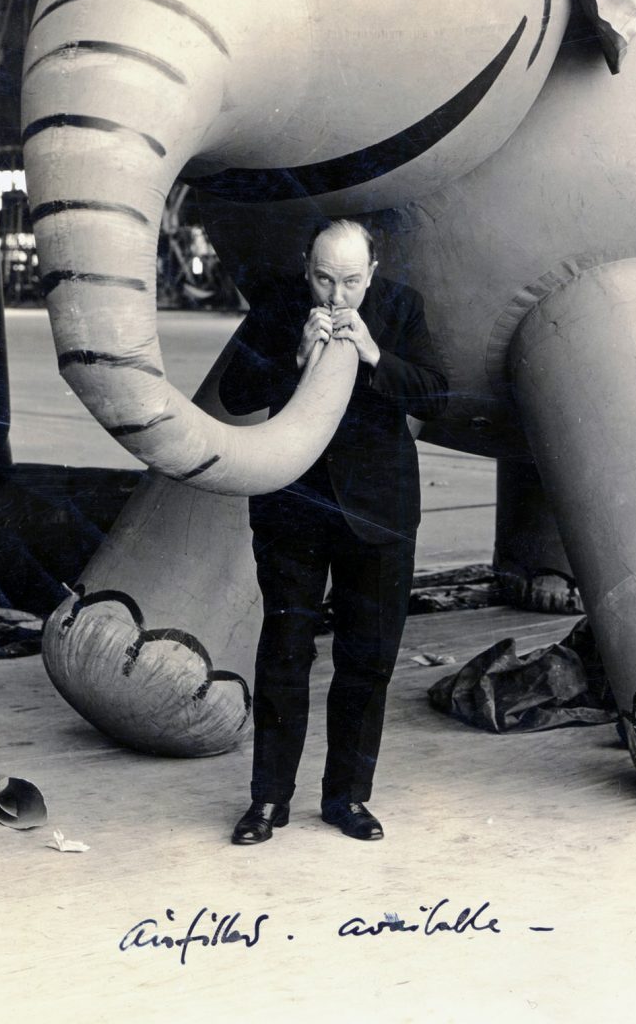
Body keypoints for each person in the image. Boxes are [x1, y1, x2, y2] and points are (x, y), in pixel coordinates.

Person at [217, 218, 447, 844]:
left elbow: (437, 395)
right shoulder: (280, 306)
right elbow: (235, 393)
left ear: (372, 272)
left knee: (368, 660)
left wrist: (376, 356)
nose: (337, 295)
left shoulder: (400, 307)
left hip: (378, 512)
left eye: (350, 281)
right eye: (323, 279)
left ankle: (347, 797)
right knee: (285, 652)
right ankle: (268, 800)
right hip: (292, 506)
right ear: (306, 267)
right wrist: (295, 358)